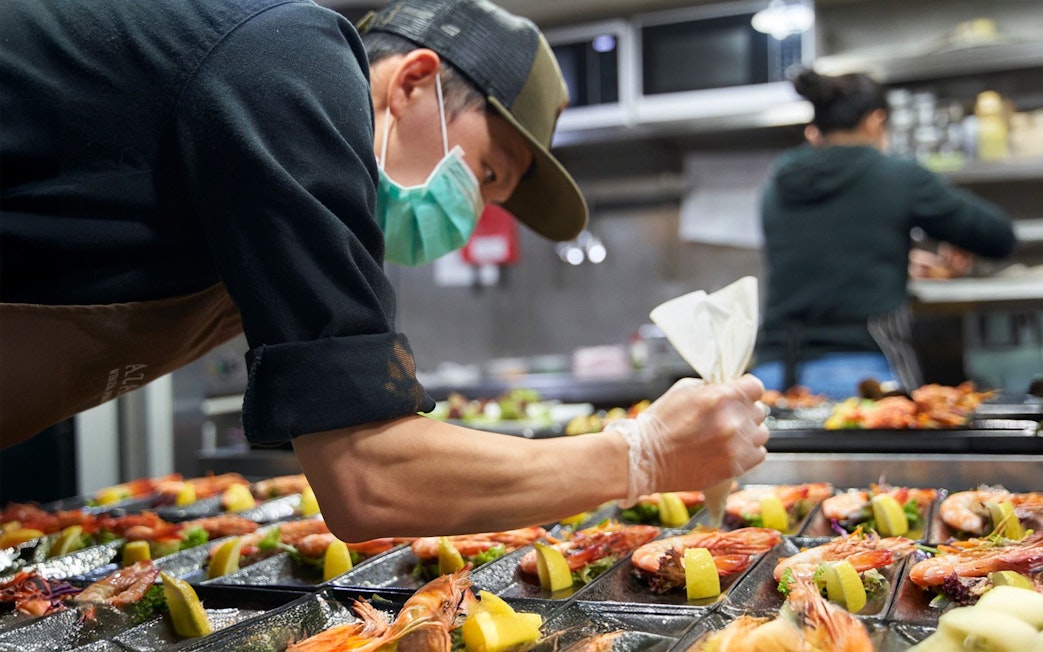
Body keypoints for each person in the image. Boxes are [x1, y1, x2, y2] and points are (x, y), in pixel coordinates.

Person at [1, 0, 771, 540]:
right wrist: (644, 456)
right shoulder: (291, 58)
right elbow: (368, 476)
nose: (477, 210)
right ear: (413, 82)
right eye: (488, 174)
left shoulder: (282, 185)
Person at [751, 69, 1017, 399]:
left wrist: (893, 255)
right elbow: (999, 236)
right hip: (862, 376)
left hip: (772, 376)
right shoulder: (895, 175)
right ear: (876, 121)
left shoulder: (777, 182)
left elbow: (823, 253)